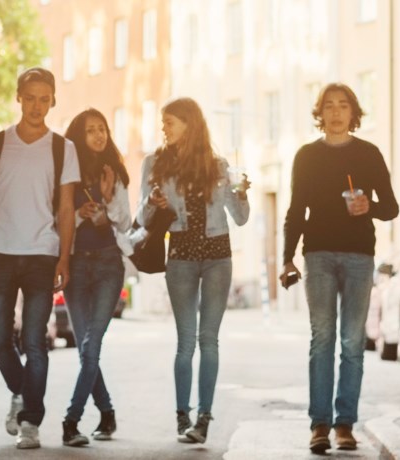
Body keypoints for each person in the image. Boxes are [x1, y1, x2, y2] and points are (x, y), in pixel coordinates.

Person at [0, 67, 79, 450]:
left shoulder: (62, 149)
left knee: (35, 340)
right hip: (2, 253)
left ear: (53, 101)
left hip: (42, 254)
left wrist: (64, 258)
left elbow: (67, 208)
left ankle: (30, 422)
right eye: (30, 98)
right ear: (19, 98)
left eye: (44, 99)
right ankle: (23, 392)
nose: (37, 106)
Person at [281, 83, 398, 453]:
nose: (335, 112)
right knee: (322, 338)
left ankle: (344, 423)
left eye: (343, 105)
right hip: (317, 254)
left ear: (353, 113)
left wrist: (369, 207)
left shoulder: (369, 154)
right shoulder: (306, 156)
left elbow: (391, 207)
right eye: (329, 106)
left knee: (352, 341)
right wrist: (287, 257)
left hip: (360, 256)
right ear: (320, 113)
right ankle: (319, 424)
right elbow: (296, 210)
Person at [136, 97, 250, 444]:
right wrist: (152, 203)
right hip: (181, 256)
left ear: (189, 123)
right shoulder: (154, 163)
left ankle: (203, 419)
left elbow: (241, 217)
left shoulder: (218, 165)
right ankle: (182, 415)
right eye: (163, 122)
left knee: (209, 340)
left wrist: (241, 193)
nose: (164, 128)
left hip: (217, 256)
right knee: (185, 341)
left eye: (169, 122)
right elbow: (141, 217)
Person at [59, 108, 132, 446]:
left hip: (108, 265)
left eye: (102, 128)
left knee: (91, 344)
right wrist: (78, 213)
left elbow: (124, 222)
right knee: (85, 348)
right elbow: (57, 220)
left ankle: (71, 421)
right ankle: (106, 412)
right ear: (79, 135)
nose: (99, 135)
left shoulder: (113, 171)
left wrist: (107, 202)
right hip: (75, 265)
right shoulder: (66, 174)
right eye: (91, 130)